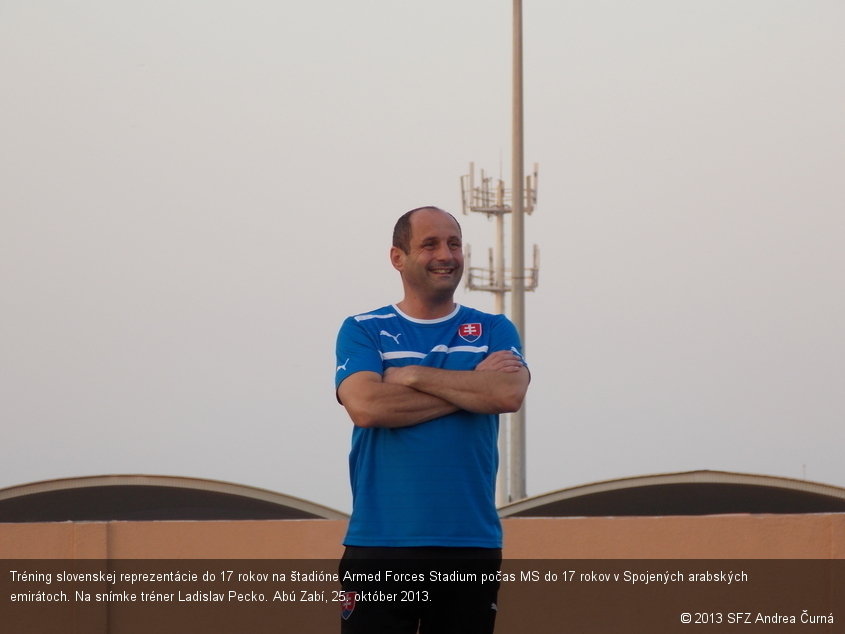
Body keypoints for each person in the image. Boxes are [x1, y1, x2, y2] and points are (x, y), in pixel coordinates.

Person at [334, 206, 530, 633]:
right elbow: (368, 407)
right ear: (397, 257)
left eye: (454, 243)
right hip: (381, 544)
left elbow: (509, 393)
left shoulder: (494, 328)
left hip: (469, 545)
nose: (447, 254)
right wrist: (471, 387)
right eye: (430, 244)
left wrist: (416, 376)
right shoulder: (365, 329)